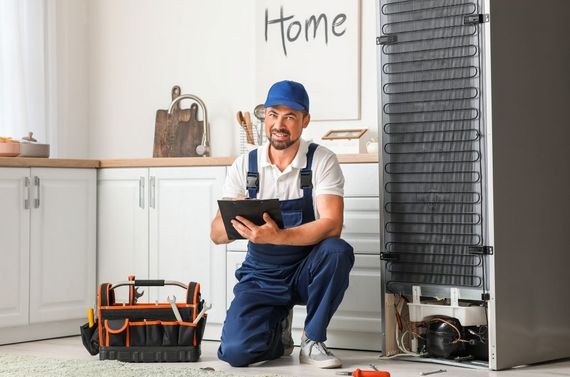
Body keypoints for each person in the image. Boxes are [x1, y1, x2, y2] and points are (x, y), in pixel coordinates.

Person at [210, 80, 354, 369]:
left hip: (306, 269)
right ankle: (279, 335)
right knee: (235, 354)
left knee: (337, 250)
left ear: (305, 121)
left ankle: (313, 341)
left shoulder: (321, 160)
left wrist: (278, 236)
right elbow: (215, 234)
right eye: (273, 114)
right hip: (261, 274)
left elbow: (331, 225)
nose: (279, 124)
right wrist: (236, 226)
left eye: (290, 116)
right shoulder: (245, 166)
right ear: (265, 117)